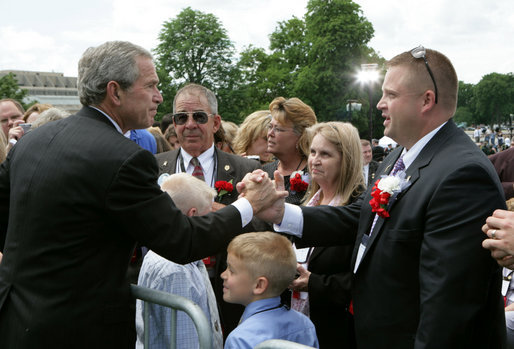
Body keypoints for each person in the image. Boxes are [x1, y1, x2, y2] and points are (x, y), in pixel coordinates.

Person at [0, 41, 283, 349]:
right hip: (79, 331)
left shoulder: (31, 141)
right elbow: (181, 240)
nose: (159, 97)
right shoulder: (123, 157)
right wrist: (249, 204)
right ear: (115, 92)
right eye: (150, 86)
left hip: (15, 320)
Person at [254, 46, 506, 348]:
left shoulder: (462, 174)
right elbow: (356, 216)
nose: (380, 105)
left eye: (391, 95)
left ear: (427, 100)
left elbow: (448, 306)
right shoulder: (400, 155)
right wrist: (281, 214)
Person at [154, 83, 266, 339]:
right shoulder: (153, 168)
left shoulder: (245, 168)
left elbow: (264, 230)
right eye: (182, 117)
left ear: (215, 123)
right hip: (172, 292)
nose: (190, 124)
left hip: (230, 292)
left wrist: (225, 213)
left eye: (199, 117)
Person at [290, 122, 363, 348]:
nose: (315, 160)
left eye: (325, 154)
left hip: (335, 331)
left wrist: (315, 283)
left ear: (346, 159)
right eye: (312, 152)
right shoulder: (304, 203)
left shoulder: (359, 208)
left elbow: (363, 280)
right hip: (296, 324)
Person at [136, 173, 223, 349]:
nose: (211, 224)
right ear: (193, 215)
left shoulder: (175, 254)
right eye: (208, 216)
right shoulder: (176, 269)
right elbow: (185, 342)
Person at [222, 232, 319, 349]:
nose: (223, 275)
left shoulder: (240, 339)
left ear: (259, 285)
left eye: (231, 270)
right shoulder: (305, 325)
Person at [263, 97, 317, 205]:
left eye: (278, 129)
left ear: (301, 136)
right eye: (270, 127)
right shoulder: (264, 172)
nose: (270, 134)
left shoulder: (315, 174)